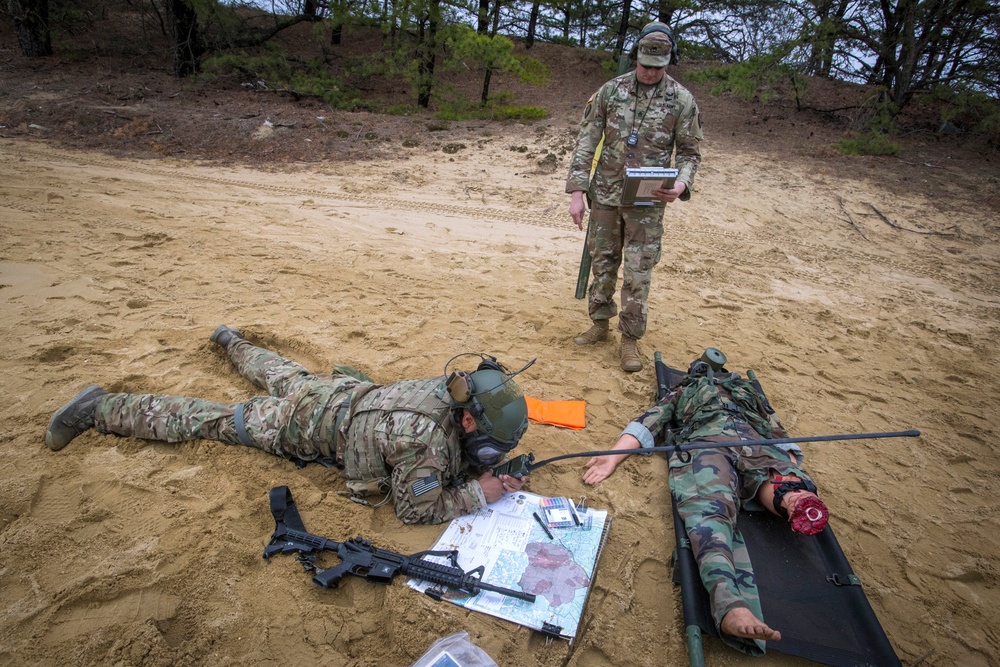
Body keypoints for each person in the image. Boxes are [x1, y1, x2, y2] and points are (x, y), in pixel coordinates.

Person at [45, 325, 530, 525]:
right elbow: (413, 509)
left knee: (279, 371)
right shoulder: (422, 442)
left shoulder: (452, 387)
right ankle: (99, 408)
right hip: (302, 426)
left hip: (337, 392)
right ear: (468, 417)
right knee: (206, 419)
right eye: (489, 440)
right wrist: (475, 494)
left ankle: (230, 340)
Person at [581, 348, 829, 656]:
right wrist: (614, 457)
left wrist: (792, 469)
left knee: (782, 482)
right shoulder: (683, 389)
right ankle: (730, 605)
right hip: (707, 444)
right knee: (708, 513)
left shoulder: (747, 390)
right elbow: (650, 421)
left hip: (756, 443)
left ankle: (794, 501)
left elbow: (776, 429)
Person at [566, 21, 703, 373]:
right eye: (644, 64)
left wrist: (682, 185)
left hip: (648, 201)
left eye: (658, 67)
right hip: (606, 196)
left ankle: (629, 339)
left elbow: (689, 153)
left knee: (639, 272)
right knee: (603, 262)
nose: (649, 72)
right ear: (635, 57)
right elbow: (586, 142)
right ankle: (600, 324)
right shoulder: (610, 92)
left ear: (669, 62)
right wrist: (577, 191)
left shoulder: (682, 100)